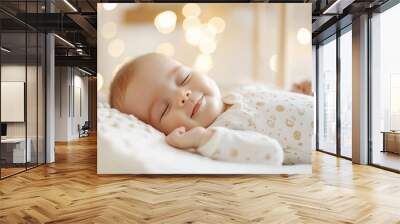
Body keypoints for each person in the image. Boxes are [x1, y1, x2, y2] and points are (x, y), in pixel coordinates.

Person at [109, 53, 313, 165]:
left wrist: (294, 94)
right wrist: (201, 139)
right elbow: (272, 154)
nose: (182, 95)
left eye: (184, 78)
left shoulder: (239, 90)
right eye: (164, 109)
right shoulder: (224, 134)